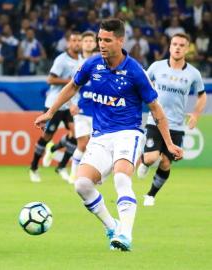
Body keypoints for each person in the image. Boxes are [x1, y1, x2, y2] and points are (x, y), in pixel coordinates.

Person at [34, 18, 183, 251]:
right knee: (82, 184)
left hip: (128, 133)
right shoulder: (93, 64)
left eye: (107, 40)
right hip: (101, 135)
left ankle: (126, 234)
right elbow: (72, 87)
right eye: (99, 39)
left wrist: (170, 144)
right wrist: (50, 112)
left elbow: (156, 109)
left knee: (122, 178)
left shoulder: (135, 71)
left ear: (120, 41)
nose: (101, 44)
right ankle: (112, 225)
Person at [137, 33, 207, 206]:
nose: (177, 47)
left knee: (167, 163)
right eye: (174, 44)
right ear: (169, 47)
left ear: (187, 49)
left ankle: (151, 195)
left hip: (176, 125)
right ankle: (144, 159)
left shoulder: (193, 73)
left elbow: (202, 95)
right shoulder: (157, 67)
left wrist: (196, 114)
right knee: (152, 158)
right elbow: (141, 83)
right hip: (156, 121)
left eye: (181, 45)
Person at [29, 31, 81, 183]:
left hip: (71, 104)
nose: (77, 43)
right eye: (74, 40)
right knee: (47, 136)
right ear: (68, 43)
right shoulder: (62, 60)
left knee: (76, 134)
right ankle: (33, 168)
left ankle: (61, 164)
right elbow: (50, 79)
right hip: (54, 103)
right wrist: (70, 82)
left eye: (79, 40)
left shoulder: (83, 60)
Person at [68, 31, 97, 184]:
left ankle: (91, 174)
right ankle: (74, 173)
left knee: (94, 145)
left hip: (97, 110)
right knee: (83, 144)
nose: (87, 43)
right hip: (81, 109)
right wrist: (71, 104)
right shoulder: (76, 64)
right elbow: (70, 87)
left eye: (90, 41)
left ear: (95, 43)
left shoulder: (101, 62)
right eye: (85, 40)